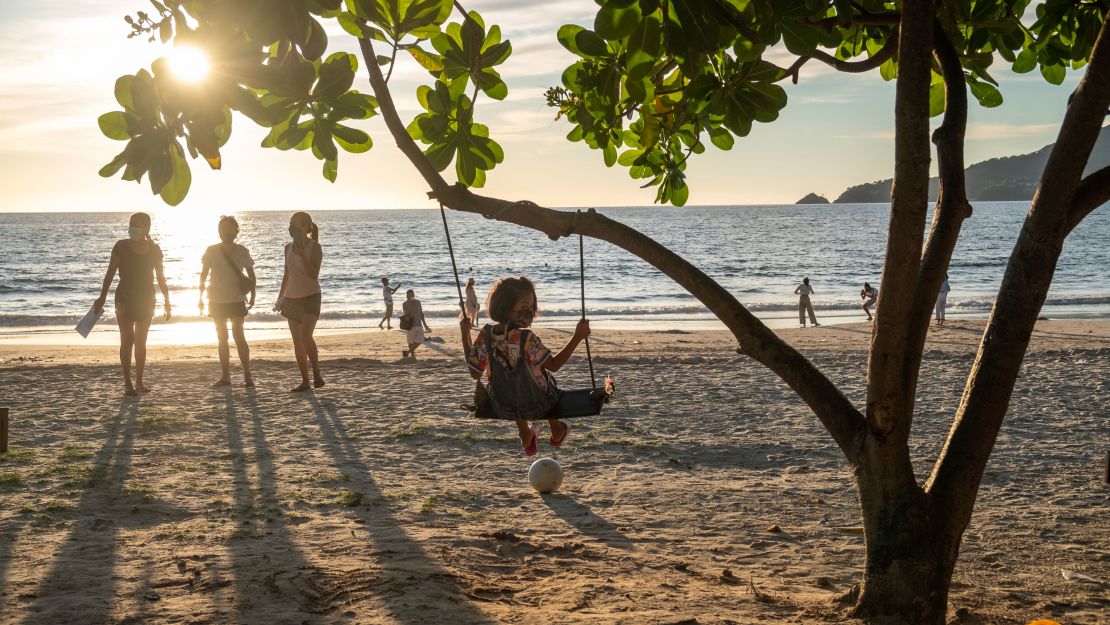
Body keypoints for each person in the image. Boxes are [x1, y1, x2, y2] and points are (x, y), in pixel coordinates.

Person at [459, 276, 586, 456]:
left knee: (510, 380)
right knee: (548, 379)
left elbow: (474, 373)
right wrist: (577, 337)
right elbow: (555, 365)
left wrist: (465, 336)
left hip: (502, 405)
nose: (529, 311)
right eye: (524, 307)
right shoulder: (527, 339)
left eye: (531, 307)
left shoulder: (486, 334)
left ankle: (525, 434)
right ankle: (557, 429)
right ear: (506, 307)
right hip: (539, 404)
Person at [93, 212, 171, 396]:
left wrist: (167, 300)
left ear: (147, 228)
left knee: (141, 342)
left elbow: (161, 277)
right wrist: (102, 297)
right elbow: (110, 273)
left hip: (146, 298)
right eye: (131, 223)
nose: (133, 227)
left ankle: (139, 382)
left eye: (137, 224)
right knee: (127, 340)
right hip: (124, 298)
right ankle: (128, 384)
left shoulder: (155, 249)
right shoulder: (121, 246)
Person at [199, 216, 256, 388]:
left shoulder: (243, 251)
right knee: (222, 338)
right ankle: (226, 377)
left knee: (239, 337)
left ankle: (247, 375)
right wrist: (200, 298)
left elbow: (251, 275)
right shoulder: (211, 250)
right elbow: (203, 275)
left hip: (237, 299)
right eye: (223, 228)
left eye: (230, 228)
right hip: (216, 299)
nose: (226, 231)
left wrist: (253, 295)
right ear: (218, 231)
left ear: (236, 231)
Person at [277, 211, 324, 392]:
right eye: (291, 224)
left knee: (306, 336)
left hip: (311, 295)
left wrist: (302, 253)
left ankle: (317, 374)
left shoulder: (315, 247)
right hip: (292, 297)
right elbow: (287, 274)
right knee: (297, 340)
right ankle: (305, 381)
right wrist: (280, 297)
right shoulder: (287, 248)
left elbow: (313, 275)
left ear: (306, 227)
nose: (292, 228)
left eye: (296, 224)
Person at [401, 289, 431, 359]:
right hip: (410, 325)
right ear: (407, 296)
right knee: (410, 342)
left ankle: (408, 352)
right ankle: (412, 356)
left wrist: (425, 324)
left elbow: (421, 313)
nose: (412, 296)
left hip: (419, 324)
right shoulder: (404, 304)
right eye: (410, 295)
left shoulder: (418, 302)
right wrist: (409, 304)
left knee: (420, 340)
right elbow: (406, 315)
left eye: (413, 295)